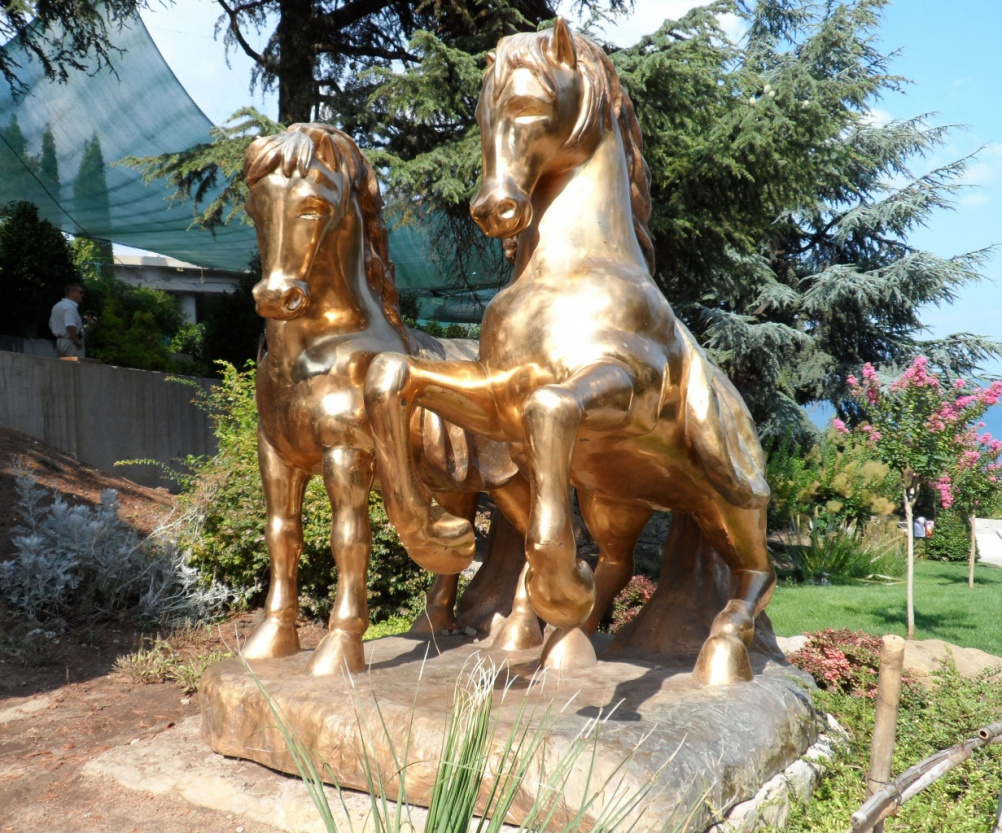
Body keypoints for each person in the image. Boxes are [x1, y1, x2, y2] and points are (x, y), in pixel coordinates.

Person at [49, 282, 85, 358]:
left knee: (63, 364)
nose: (82, 295)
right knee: (75, 364)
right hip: (71, 342)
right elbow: (70, 325)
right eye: (80, 292)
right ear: (71, 293)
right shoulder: (70, 307)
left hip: (60, 341)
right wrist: (76, 341)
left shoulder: (58, 305)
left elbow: (51, 324)